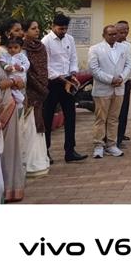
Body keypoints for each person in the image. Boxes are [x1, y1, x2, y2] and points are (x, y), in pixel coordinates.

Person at [42, 13, 87, 162]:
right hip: (53, 83)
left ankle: (70, 151)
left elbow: (73, 58)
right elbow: (46, 66)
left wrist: (73, 73)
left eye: (65, 28)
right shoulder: (46, 42)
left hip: (68, 81)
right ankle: (45, 152)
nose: (63, 31)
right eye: (60, 28)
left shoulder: (70, 39)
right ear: (53, 26)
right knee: (47, 118)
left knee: (71, 117)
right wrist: (61, 79)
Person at [88, 25, 131, 158]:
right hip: (103, 89)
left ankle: (112, 144)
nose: (114, 36)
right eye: (111, 34)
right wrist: (110, 79)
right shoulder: (95, 49)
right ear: (104, 35)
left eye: (115, 34)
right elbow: (94, 70)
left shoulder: (124, 48)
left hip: (119, 88)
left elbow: (128, 64)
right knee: (101, 118)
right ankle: (98, 145)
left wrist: (121, 78)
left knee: (114, 119)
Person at [21, 19, 51, 176]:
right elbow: (28, 73)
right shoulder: (21, 49)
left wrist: (44, 86)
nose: (37, 30)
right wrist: (40, 88)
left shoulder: (40, 47)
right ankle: (31, 165)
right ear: (25, 32)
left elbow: (43, 69)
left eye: (38, 28)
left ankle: (40, 162)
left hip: (42, 90)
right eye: (33, 28)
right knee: (30, 127)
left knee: (39, 125)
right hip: (30, 93)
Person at [0, 58, 26, 201]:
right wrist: (13, 82)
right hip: (0, 111)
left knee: (10, 151)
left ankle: (10, 189)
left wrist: (14, 83)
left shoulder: (1, 60)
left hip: (8, 105)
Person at [114, 21, 131, 148]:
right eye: (121, 31)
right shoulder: (111, 45)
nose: (124, 32)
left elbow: (130, 63)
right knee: (113, 112)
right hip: (114, 82)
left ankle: (120, 135)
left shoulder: (128, 44)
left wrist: (130, 79)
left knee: (124, 110)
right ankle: (112, 136)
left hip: (125, 82)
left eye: (126, 29)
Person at [0, 37, 29, 108]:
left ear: (20, 48)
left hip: (20, 76)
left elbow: (27, 64)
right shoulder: (5, 55)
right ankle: (18, 102)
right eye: (10, 47)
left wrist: (21, 68)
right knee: (12, 90)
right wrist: (6, 66)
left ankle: (20, 101)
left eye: (16, 47)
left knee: (18, 90)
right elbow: (1, 61)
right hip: (10, 76)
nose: (13, 49)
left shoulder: (22, 56)